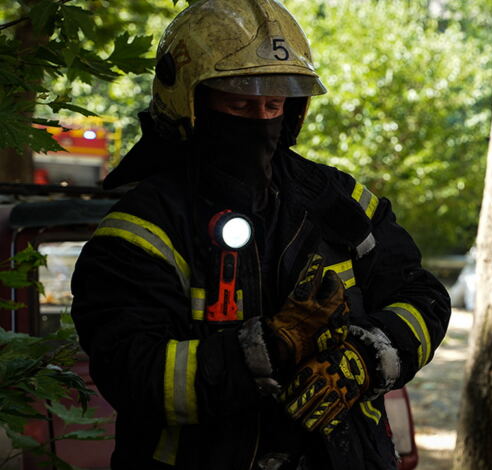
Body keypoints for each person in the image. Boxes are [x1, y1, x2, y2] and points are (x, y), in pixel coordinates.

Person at [69, 0, 451, 469]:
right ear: (191, 101)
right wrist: (269, 349)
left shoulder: (338, 201)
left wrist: (366, 356)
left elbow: (422, 298)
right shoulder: (143, 229)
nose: (261, 119)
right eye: (240, 104)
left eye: (274, 104)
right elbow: (134, 373)